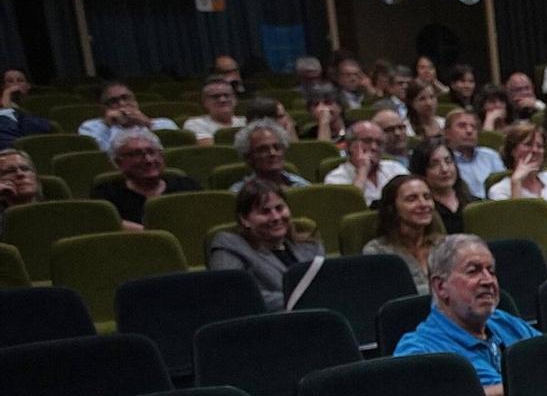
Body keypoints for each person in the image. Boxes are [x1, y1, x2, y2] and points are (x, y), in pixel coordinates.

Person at [392, 234, 538, 396]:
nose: (488, 280)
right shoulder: (419, 350)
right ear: (440, 287)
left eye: (491, 271)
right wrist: (527, 386)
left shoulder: (506, 323)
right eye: (473, 271)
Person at [203, 180, 324, 310]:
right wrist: (305, 301)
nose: (276, 217)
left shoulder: (311, 247)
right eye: (265, 212)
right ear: (244, 219)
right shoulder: (230, 246)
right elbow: (232, 295)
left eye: (279, 208)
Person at [488, 122, 547, 233]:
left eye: (540, 146)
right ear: (513, 150)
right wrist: (516, 182)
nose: (535, 150)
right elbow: (517, 228)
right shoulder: (499, 190)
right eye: (528, 144)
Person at [365, 172, 448, 292]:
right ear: (392, 208)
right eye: (412, 199)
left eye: (427, 197)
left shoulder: (446, 245)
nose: (423, 204)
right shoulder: (377, 252)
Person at [102, 128, 199, 227]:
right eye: (137, 154)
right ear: (119, 162)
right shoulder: (107, 194)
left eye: (152, 152)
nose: (148, 160)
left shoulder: (187, 187)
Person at [322, 118, 408, 206]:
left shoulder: (396, 168)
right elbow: (349, 207)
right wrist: (363, 170)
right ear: (349, 146)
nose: (374, 147)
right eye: (367, 141)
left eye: (379, 143)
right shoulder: (335, 178)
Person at [78, 82, 179, 151]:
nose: (122, 103)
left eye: (126, 98)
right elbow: (104, 158)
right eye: (113, 101)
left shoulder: (165, 123)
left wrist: (147, 124)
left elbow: (173, 153)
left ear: (135, 101)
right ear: (104, 107)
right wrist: (110, 126)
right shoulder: (89, 128)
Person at [412, 136, 479, 235]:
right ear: (422, 172)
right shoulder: (423, 210)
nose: (444, 169)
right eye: (434, 164)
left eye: (448, 161)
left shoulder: (475, 204)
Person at [444, 108, 506, 189]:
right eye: (462, 126)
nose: (469, 131)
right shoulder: (443, 161)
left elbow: (504, 187)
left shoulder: (491, 155)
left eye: (473, 127)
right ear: (447, 133)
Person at [0, 71, 53, 152]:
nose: (16, 84)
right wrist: (7, 95)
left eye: (20, 80)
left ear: (28, 85)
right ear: (3, 86)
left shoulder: (40, 107)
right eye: (10, 81)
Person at [183, 75, 245, 145]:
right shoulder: (195, 124)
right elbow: (212, 149)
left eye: (226, 95)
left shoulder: (246, 122)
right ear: (205, 102)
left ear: (235, 100)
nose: (222, 100)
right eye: (215, 96)